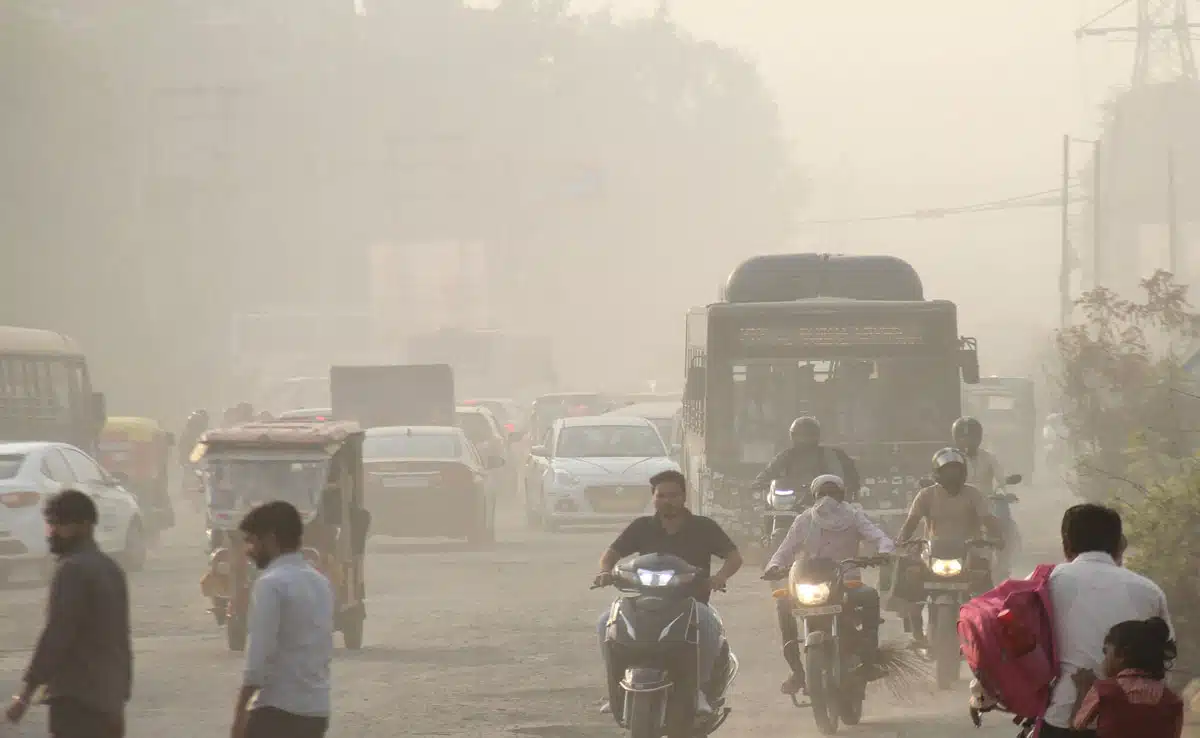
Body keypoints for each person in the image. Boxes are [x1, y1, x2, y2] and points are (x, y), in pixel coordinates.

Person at [593, 469, 743, 714]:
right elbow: (611, 554)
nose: (667, 500)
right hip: (643, 603)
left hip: (692, 603)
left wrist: (719, 577)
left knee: (708, 629)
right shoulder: (641, 526)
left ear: (684, 497)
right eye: (661, 495)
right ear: (653, 498)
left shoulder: (703, 527)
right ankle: (617, 691)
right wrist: (605, 572)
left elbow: (734, 557)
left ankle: (699, 692)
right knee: (604, 624)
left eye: (672, 495)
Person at [1038, 504, 1172, 738]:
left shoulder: (1045, 584)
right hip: (1135, 720)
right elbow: (1166, 651)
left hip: (1064, 716)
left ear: (1066, 545)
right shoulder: (1149, 590)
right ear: (1120, 544)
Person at [6, 489, 131, 738]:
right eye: (50, 523)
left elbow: (57, 635)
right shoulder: (110, 568)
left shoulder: (72, 570)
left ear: (84, 525)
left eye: (59, 524)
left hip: (77, 700)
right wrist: (121, 690)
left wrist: (25, 694)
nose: (52, 532)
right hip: (109, 700)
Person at [762, 475, 895, 695]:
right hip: (810, 584)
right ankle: (797, 671)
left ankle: (870, 660)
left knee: (870, 596)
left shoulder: (854, 517)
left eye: (832, 494)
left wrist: (884, 552)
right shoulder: (805, 520)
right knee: (783, 604)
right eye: (822, 495)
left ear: (842, 496)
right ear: (814, 497)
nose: (827, 500)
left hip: (847, 581)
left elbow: (879, 537)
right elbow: (785, 550)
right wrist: (774, 566)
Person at [231, 501, 333, 738]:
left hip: (277, 712)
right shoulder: (320, 583)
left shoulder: (271, 584)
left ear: (270, 539)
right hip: (316, 711)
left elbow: (258, 659)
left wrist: (238, 716)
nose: (248, 550)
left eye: (252, 541)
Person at [897, 447, 1002, 646]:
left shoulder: (974, 494)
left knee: (986, 590)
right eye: (947, 471)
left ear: (964, 472)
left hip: (969, 552)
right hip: (932, 553)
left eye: (956, 470)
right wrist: (902, 539)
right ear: (937, 473)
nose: (952, 475)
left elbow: (988, 519)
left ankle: (989, 632)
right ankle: (915, 628)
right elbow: (911, 522)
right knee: (910, 578)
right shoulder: (926, 495)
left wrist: (997, 537)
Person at [1070, 617, 1182, 738]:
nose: (1104, 660)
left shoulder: (1103, 690)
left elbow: (1078, 725)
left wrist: (1083, 689)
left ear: (1122, 654)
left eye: (1106, 652)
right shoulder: (1172, 700)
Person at [752, 417, 861, 502]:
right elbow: (770, 471)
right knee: (769, 511)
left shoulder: (832, 455)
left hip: (825, 502)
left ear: (816, 436)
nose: (804, 439)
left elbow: (849, 474)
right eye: (800, 436)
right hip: (791, 502)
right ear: (793, 436)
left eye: (808, 436)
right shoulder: (786, 455)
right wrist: (759, 483)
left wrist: (849, 487)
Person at [952, 416, 1005, 493]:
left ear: (979, 437)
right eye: (963, 438)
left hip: (986, 501)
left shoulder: (989, 457)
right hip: (960, 502)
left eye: (972, 437)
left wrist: (1004, 493)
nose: (968, 441)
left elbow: (1000, 479)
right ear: (956, 438)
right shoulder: (951, 459)